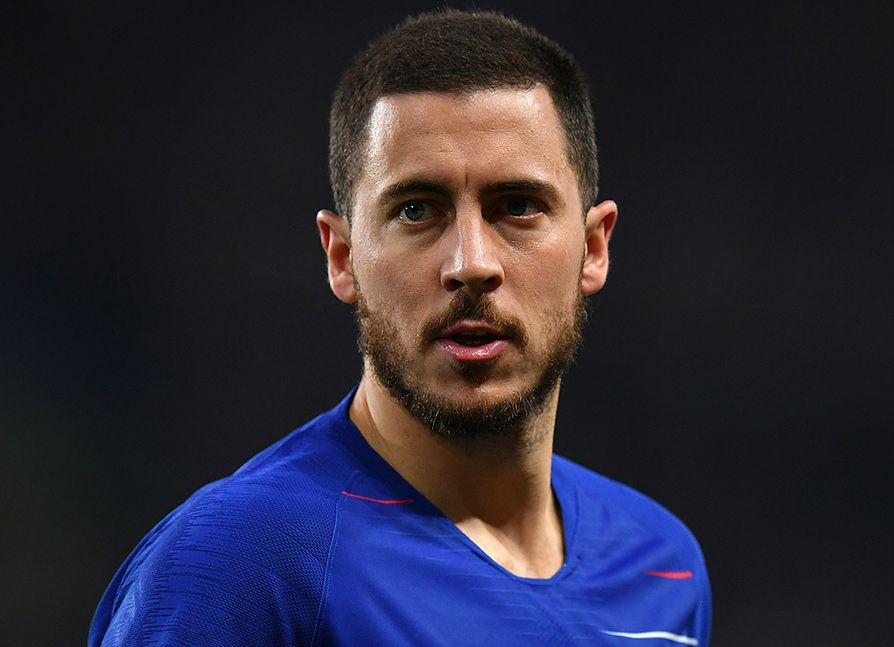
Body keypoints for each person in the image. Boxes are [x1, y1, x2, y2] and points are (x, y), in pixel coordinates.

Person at [90, 10, 711, 646]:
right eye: (417, 210)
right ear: (342, 257)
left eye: (518, 206)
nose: (471, 263)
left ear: (594, 247)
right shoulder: (240, 564)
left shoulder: (663, 568)